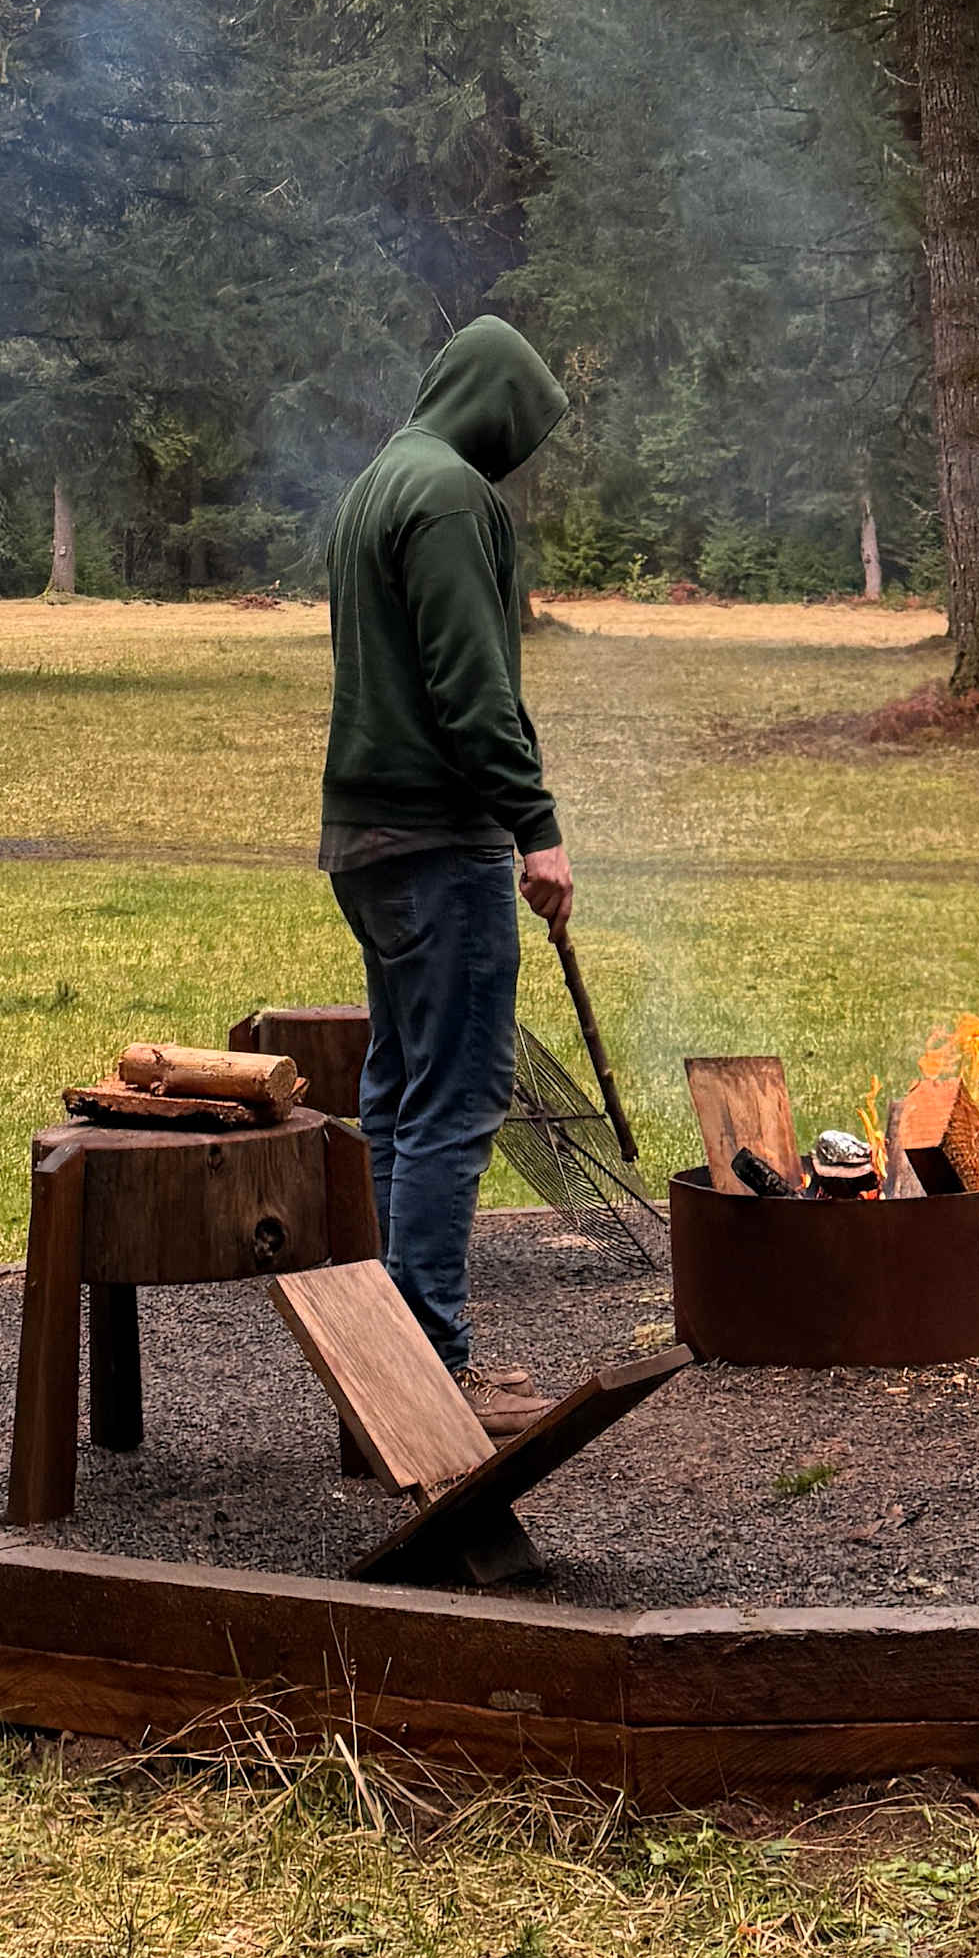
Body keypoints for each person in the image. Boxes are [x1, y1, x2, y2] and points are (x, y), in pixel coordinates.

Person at [317, 314, 575, 1430]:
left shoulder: (377, 482)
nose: (522, 455)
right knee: (457, 1098)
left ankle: (382, 1365)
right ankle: (427, 1367)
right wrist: (537, 824)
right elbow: (474, 689)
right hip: (438, 841)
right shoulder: (452, 495)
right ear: (495, 407)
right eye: (525, 430)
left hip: (364, 839)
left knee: (398, 1092)